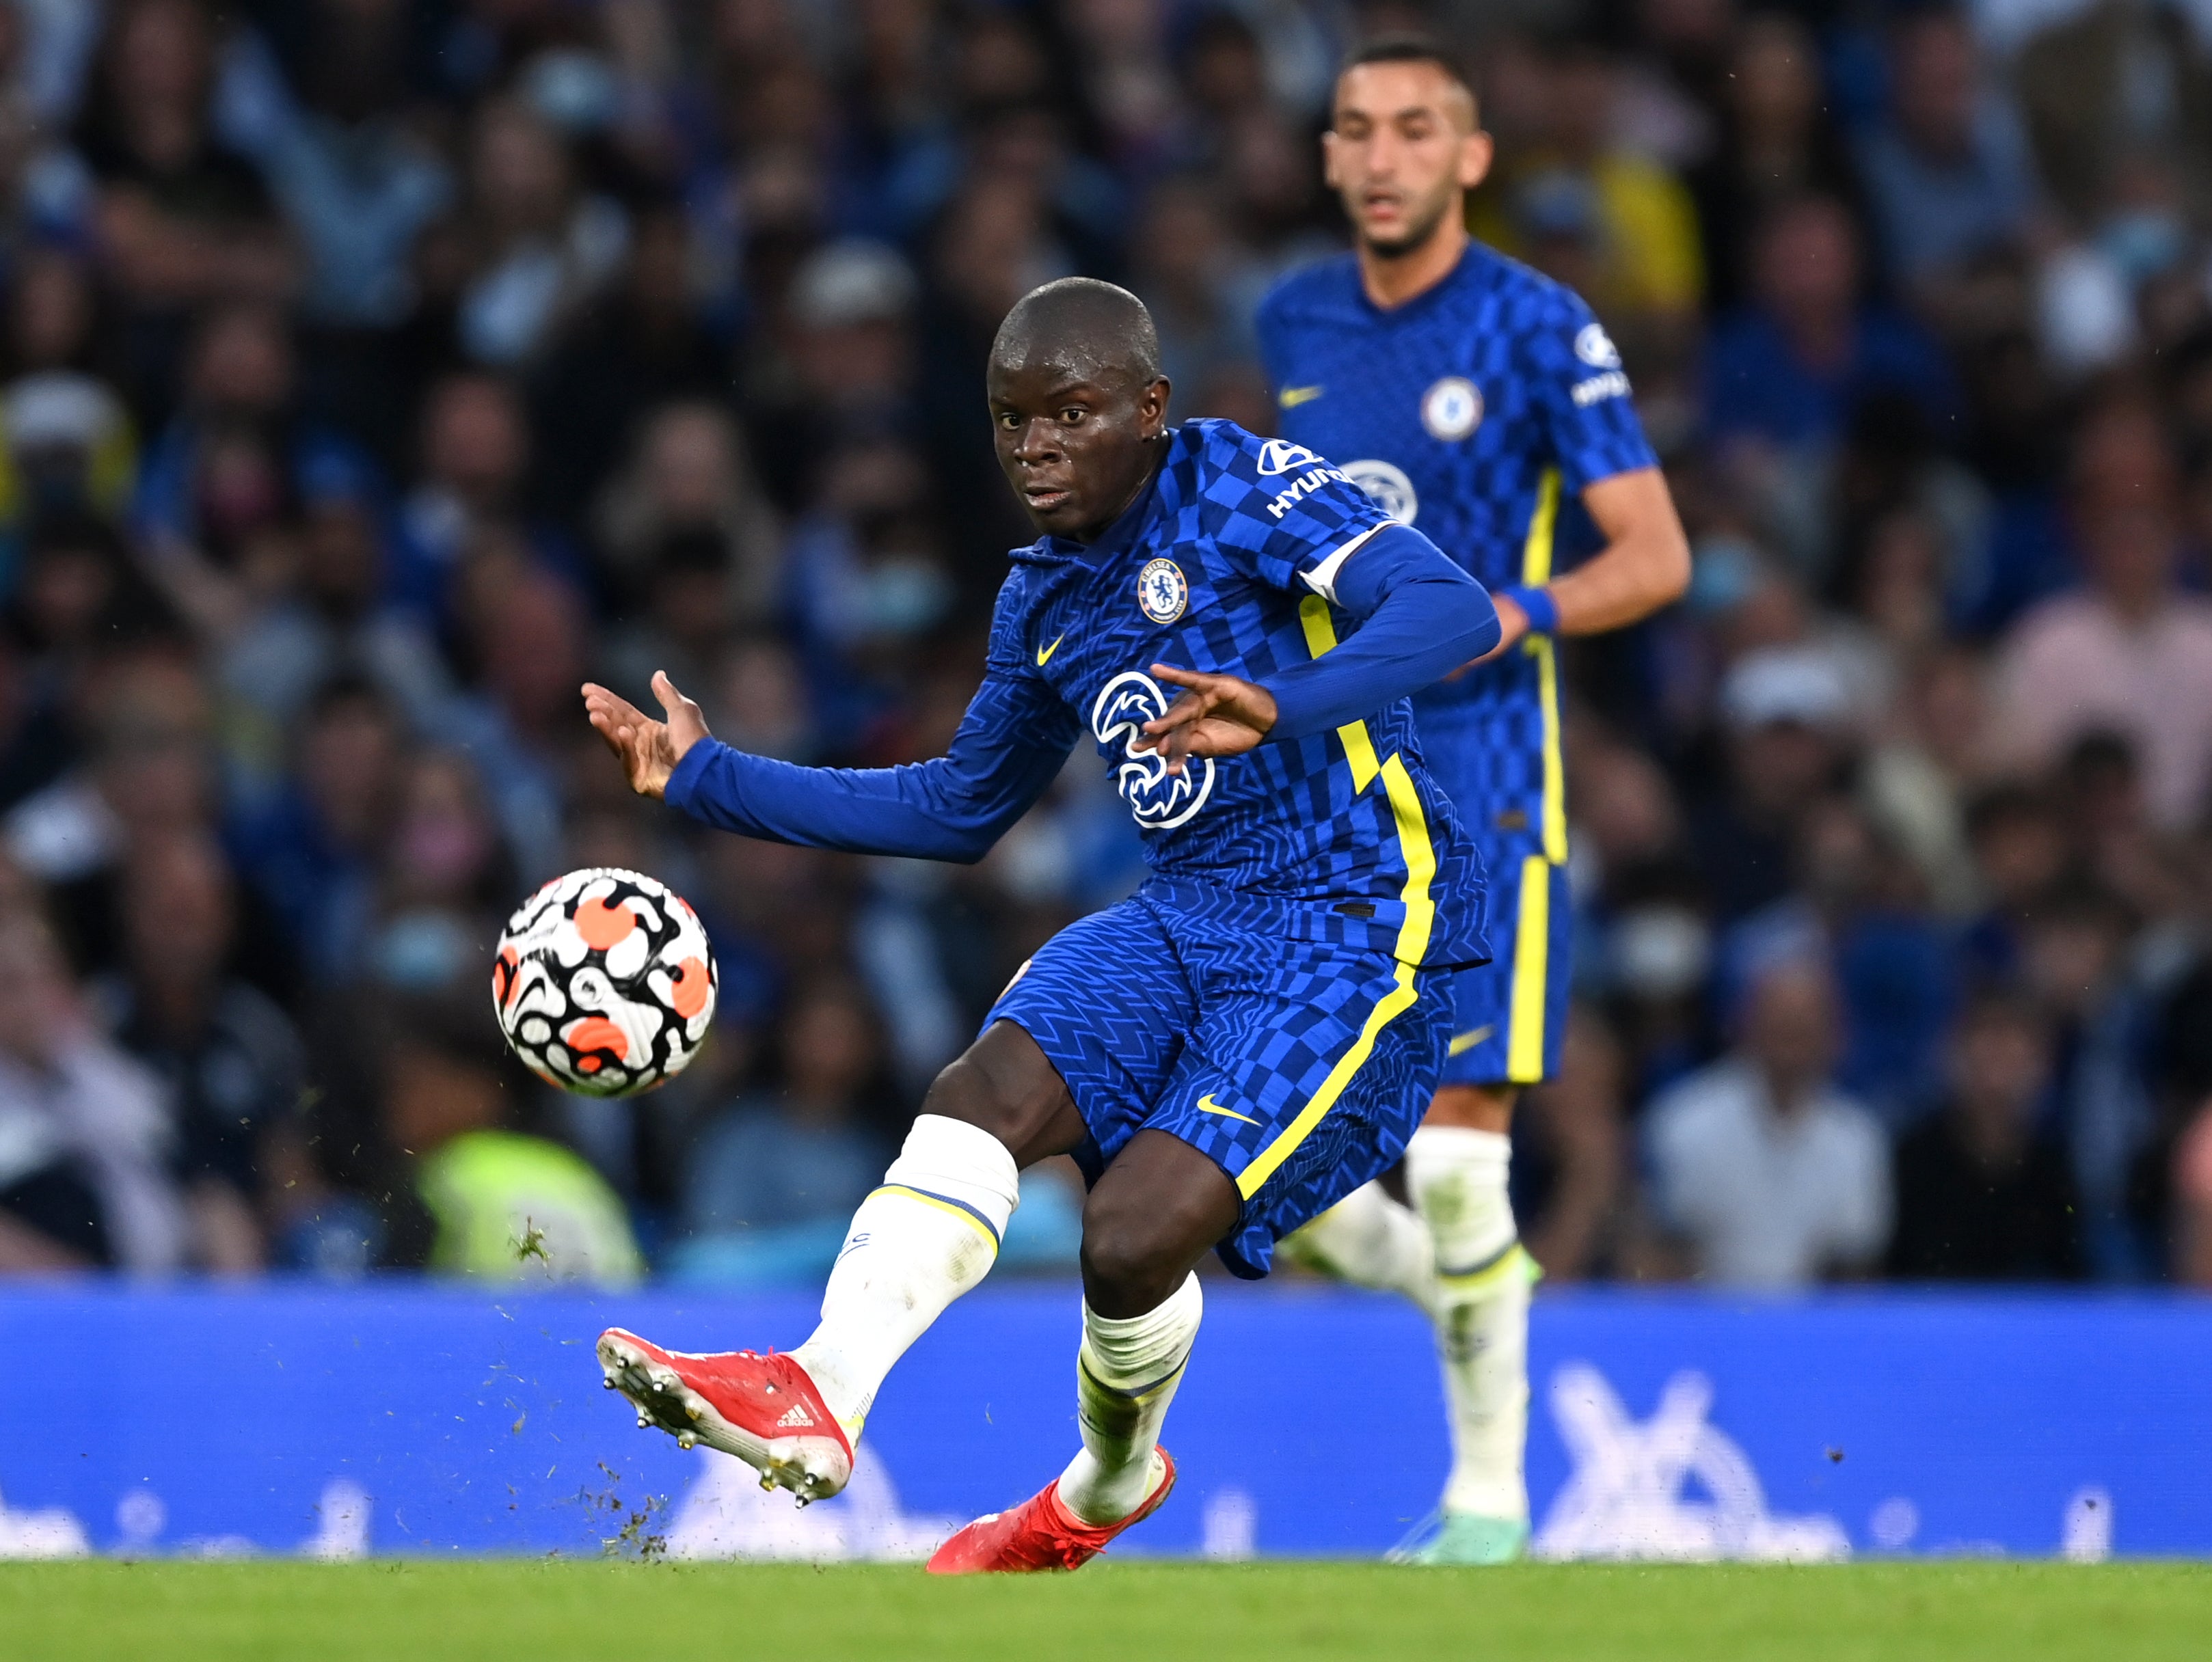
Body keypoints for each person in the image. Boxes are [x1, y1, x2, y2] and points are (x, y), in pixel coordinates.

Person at [584, 276, 1500, 1572]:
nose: (1038, 447)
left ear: (1151, 408)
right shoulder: (1046, 597)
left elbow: (1449, 609)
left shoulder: (1245, 487)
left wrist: (1278, 705)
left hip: (1351, 932)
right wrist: (708, 778)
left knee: (1126, 1241)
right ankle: (820, 1393)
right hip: (1187, 914)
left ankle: (1106, 1488)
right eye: (1014, 421)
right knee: (989, 1085)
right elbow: (964, 809)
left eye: (1071, 413)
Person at [1252, 39, 1689, 1564]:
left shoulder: (1539, 326)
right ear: (1326, 158)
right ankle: (1474, 1294)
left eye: (1416, 130)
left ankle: (1492, 1508)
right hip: (1329, 789)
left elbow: (1654, 555)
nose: (1384, 156)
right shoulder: (1292, 323)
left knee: (1451, 1155)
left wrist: (1513, 612)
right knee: (1283, 1180)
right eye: (1357, 130)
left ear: (1471, 157)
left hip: (1492, 773)